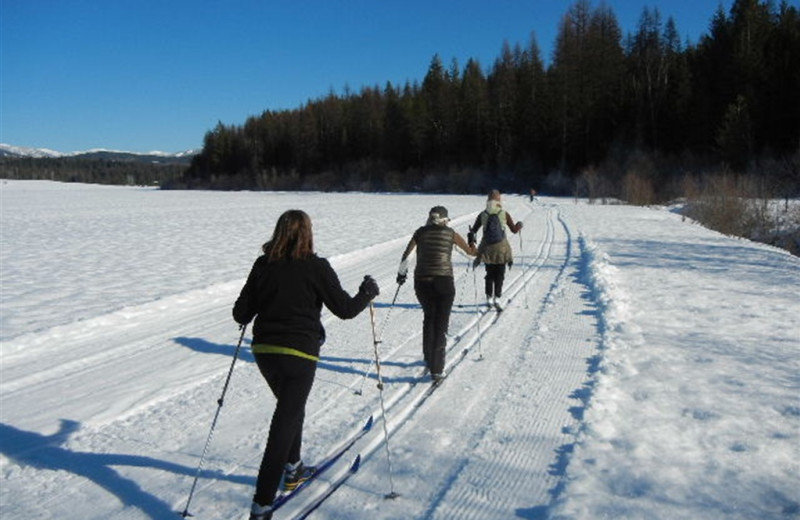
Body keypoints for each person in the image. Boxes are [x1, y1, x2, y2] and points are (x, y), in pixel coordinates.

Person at [232, 209, 379, 520]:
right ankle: (261, 505)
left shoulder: (263, 265)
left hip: (265, 352)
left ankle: (294, 468)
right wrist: (367, 293)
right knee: (283, 423)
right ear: (308, 233)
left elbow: (241, 314)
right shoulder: (316, 267)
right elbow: (345, 309)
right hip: (300, 355)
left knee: (289, 409)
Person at [396, 206, 476, 383]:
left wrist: (401, 275)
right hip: (444, 282)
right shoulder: (451, 234)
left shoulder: (420, 233)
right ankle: (437, 369)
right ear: (445, 219)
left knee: (429, 317)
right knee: (441, 323)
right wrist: (472, 241)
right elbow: (471, 255)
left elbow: (406, 256)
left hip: (421, 282)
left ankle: (428, 357)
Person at [468, 190, 523, 311]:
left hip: (487, 249)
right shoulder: (504, 213)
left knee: (489, 274)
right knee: (500, 274)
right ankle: (497, 298)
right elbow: (514, 230)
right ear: (499, 200)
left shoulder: (483, 214)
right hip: (502, 249)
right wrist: (519, 225)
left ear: (487, 200)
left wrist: (471, 242)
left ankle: (488, 298)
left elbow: (473, 231)